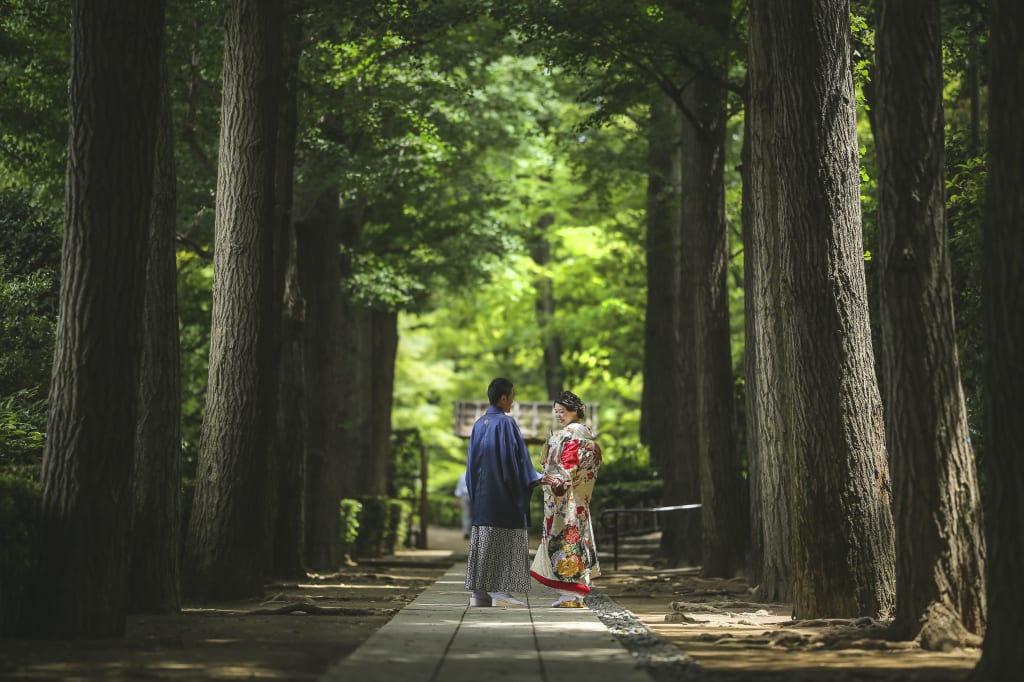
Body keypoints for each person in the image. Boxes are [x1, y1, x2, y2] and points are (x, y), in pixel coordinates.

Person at [464, 377, 558, 607]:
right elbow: (516, 459)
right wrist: (534, 477)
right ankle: (500, 591)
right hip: (503, 493)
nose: (513, 403)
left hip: (483, 495)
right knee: (504, 538)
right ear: (503, 397)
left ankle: (480, 593)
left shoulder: (478, 424)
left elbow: (471, 466)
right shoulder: (506, 424)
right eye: (511, 397)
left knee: (484, 539)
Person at [529, 390, 602, 608]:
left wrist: (543, 479)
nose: (558, 416)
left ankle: (570, 595)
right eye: (556, 412)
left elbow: (564, 474)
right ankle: (574, 596)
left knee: (563, 542)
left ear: (574, 411)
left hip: (564, 502)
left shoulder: (568, 437)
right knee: (577, 540)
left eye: (562, 411)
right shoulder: (589, 439)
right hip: (580, 500)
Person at [454, 470, 471, 539]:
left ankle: (466, 532)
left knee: (466, 515)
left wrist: (457, 498)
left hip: (465, 496)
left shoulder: (462, 475)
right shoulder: (476, 472)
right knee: (472, 515)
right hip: (472, 496)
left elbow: (459, 488)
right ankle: (469, 532)